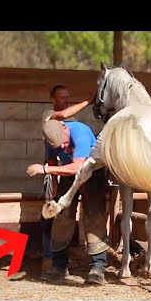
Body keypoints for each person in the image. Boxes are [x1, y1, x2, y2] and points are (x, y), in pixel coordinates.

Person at [27, 114, 109, 285]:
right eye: (59, 146)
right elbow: (52, 161)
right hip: (68, 174)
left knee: (93, 214)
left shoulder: (80, 132)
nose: (64, 147)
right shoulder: (50, 138)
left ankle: (98, 267)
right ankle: (59, 266)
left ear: (65, 128)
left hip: (92, 171)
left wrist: (44, 169)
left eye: (64, 142)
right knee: (62, 214)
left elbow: (78, 167)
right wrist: (55, 191)